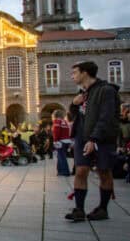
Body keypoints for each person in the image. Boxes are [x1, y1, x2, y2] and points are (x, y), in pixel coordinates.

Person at [66, 61, 121, 222]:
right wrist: (73, 104)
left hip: (102, 138)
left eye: (75, 72)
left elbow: (106, 117)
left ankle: (103, 208)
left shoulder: (106, 91)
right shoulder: (83, 93)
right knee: (81, 171)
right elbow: (75, 115)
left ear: (85, 73)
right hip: (82, 137)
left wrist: (94, 139)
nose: (72, 76)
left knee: (104, 171)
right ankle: (79, 209)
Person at [52, 109, 73, 176]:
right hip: (67, 141)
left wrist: (55, 140)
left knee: (62, 157)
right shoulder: (64, 121)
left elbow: (56, 132)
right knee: (60, 156)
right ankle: (59, 171)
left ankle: (65, 171)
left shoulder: (57, 121)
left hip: (61, 141)